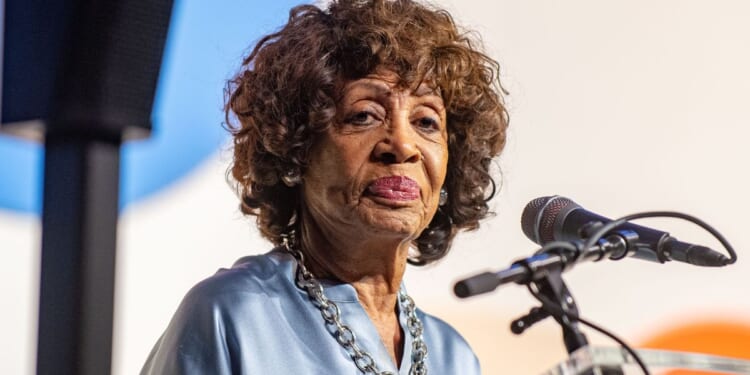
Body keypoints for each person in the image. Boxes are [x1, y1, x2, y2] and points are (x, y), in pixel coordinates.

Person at [141, 0, 507, 373]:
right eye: (364, 115)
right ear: (296, 151)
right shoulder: (232, 316)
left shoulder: (453, 357)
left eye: (426, 122)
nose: (402, 145)